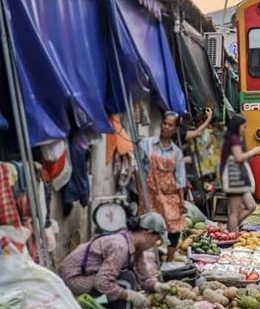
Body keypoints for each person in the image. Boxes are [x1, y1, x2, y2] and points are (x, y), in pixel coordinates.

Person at [60, 212, 169, 309]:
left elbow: (144, 276)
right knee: (126, 281)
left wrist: (157, 286)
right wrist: (129, 295)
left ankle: (100, 303)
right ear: (148, 233)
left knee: (126, 279)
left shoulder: (137, 247)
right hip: (75, 277)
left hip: (92, 275)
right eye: (157, 239)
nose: (156, 244)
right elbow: (102, 283)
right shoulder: (120, 246)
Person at [140, 112, 187, 262]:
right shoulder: (147, 144)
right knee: (150, 227)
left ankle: (169, 260)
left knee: (174, 227)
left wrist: (182, 202)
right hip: (150, 194)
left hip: (169, 194)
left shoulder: (177, 152)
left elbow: (180, 179)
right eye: (164, 123)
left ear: (175, 129)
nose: (166, 127)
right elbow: (138, 165)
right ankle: (147, 261)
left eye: (170, 125)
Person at [220, 114, 260, 231]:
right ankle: (232, 236)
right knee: (234, 212)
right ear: (237, 127)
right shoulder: (233, 139)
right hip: (234, 179)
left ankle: (230, 228)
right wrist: (253, 152)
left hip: (236, 179)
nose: (245, 130)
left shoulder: (232, 138)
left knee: (251, 206)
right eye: (244, 127)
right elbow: (238, 157)